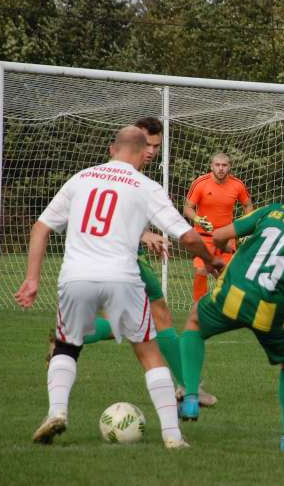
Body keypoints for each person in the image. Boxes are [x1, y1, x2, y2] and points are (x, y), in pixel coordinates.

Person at [15, 126, 224, 449]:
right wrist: (209, 260)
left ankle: (56, 412)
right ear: (142, 154)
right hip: (122, 277)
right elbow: (189, 237)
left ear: (113, 149)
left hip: (75, 277)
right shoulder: (145, 186)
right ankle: (172, 436)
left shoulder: (81, 178)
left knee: (67, 346)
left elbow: (40, 228)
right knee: (149, 352)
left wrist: (32, 279)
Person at [177, 175, 284, 452]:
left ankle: (191, 395)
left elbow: (220, 235)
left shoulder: (276, 210)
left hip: (234, 293)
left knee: (194, 320)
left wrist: (220, 252)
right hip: (271, 310)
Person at [67, 117, 216, 407]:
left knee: (132, 322)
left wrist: (146, 233)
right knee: (160, 315)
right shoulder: (122, 174)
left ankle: (73, 335)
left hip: (119, 255)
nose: (150, 151)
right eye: (146, 144)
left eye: (156, 146)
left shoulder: (124, 173)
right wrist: (145, 233)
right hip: (123, 257)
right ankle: (187, 386)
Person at [183, 152, 254, 303]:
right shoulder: (200, 183)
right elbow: (187, 208)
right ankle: (199, 306)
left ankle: (227, 306)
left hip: (226, 238)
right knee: (202, 270)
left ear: (229, 167)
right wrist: (198, 219)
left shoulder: (237, 185)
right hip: (203, 237)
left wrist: (246, 226)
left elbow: (248, 205)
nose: (221, 168)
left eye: (224, 165)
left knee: (226, 275)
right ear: (211, 166)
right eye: (217, 165)